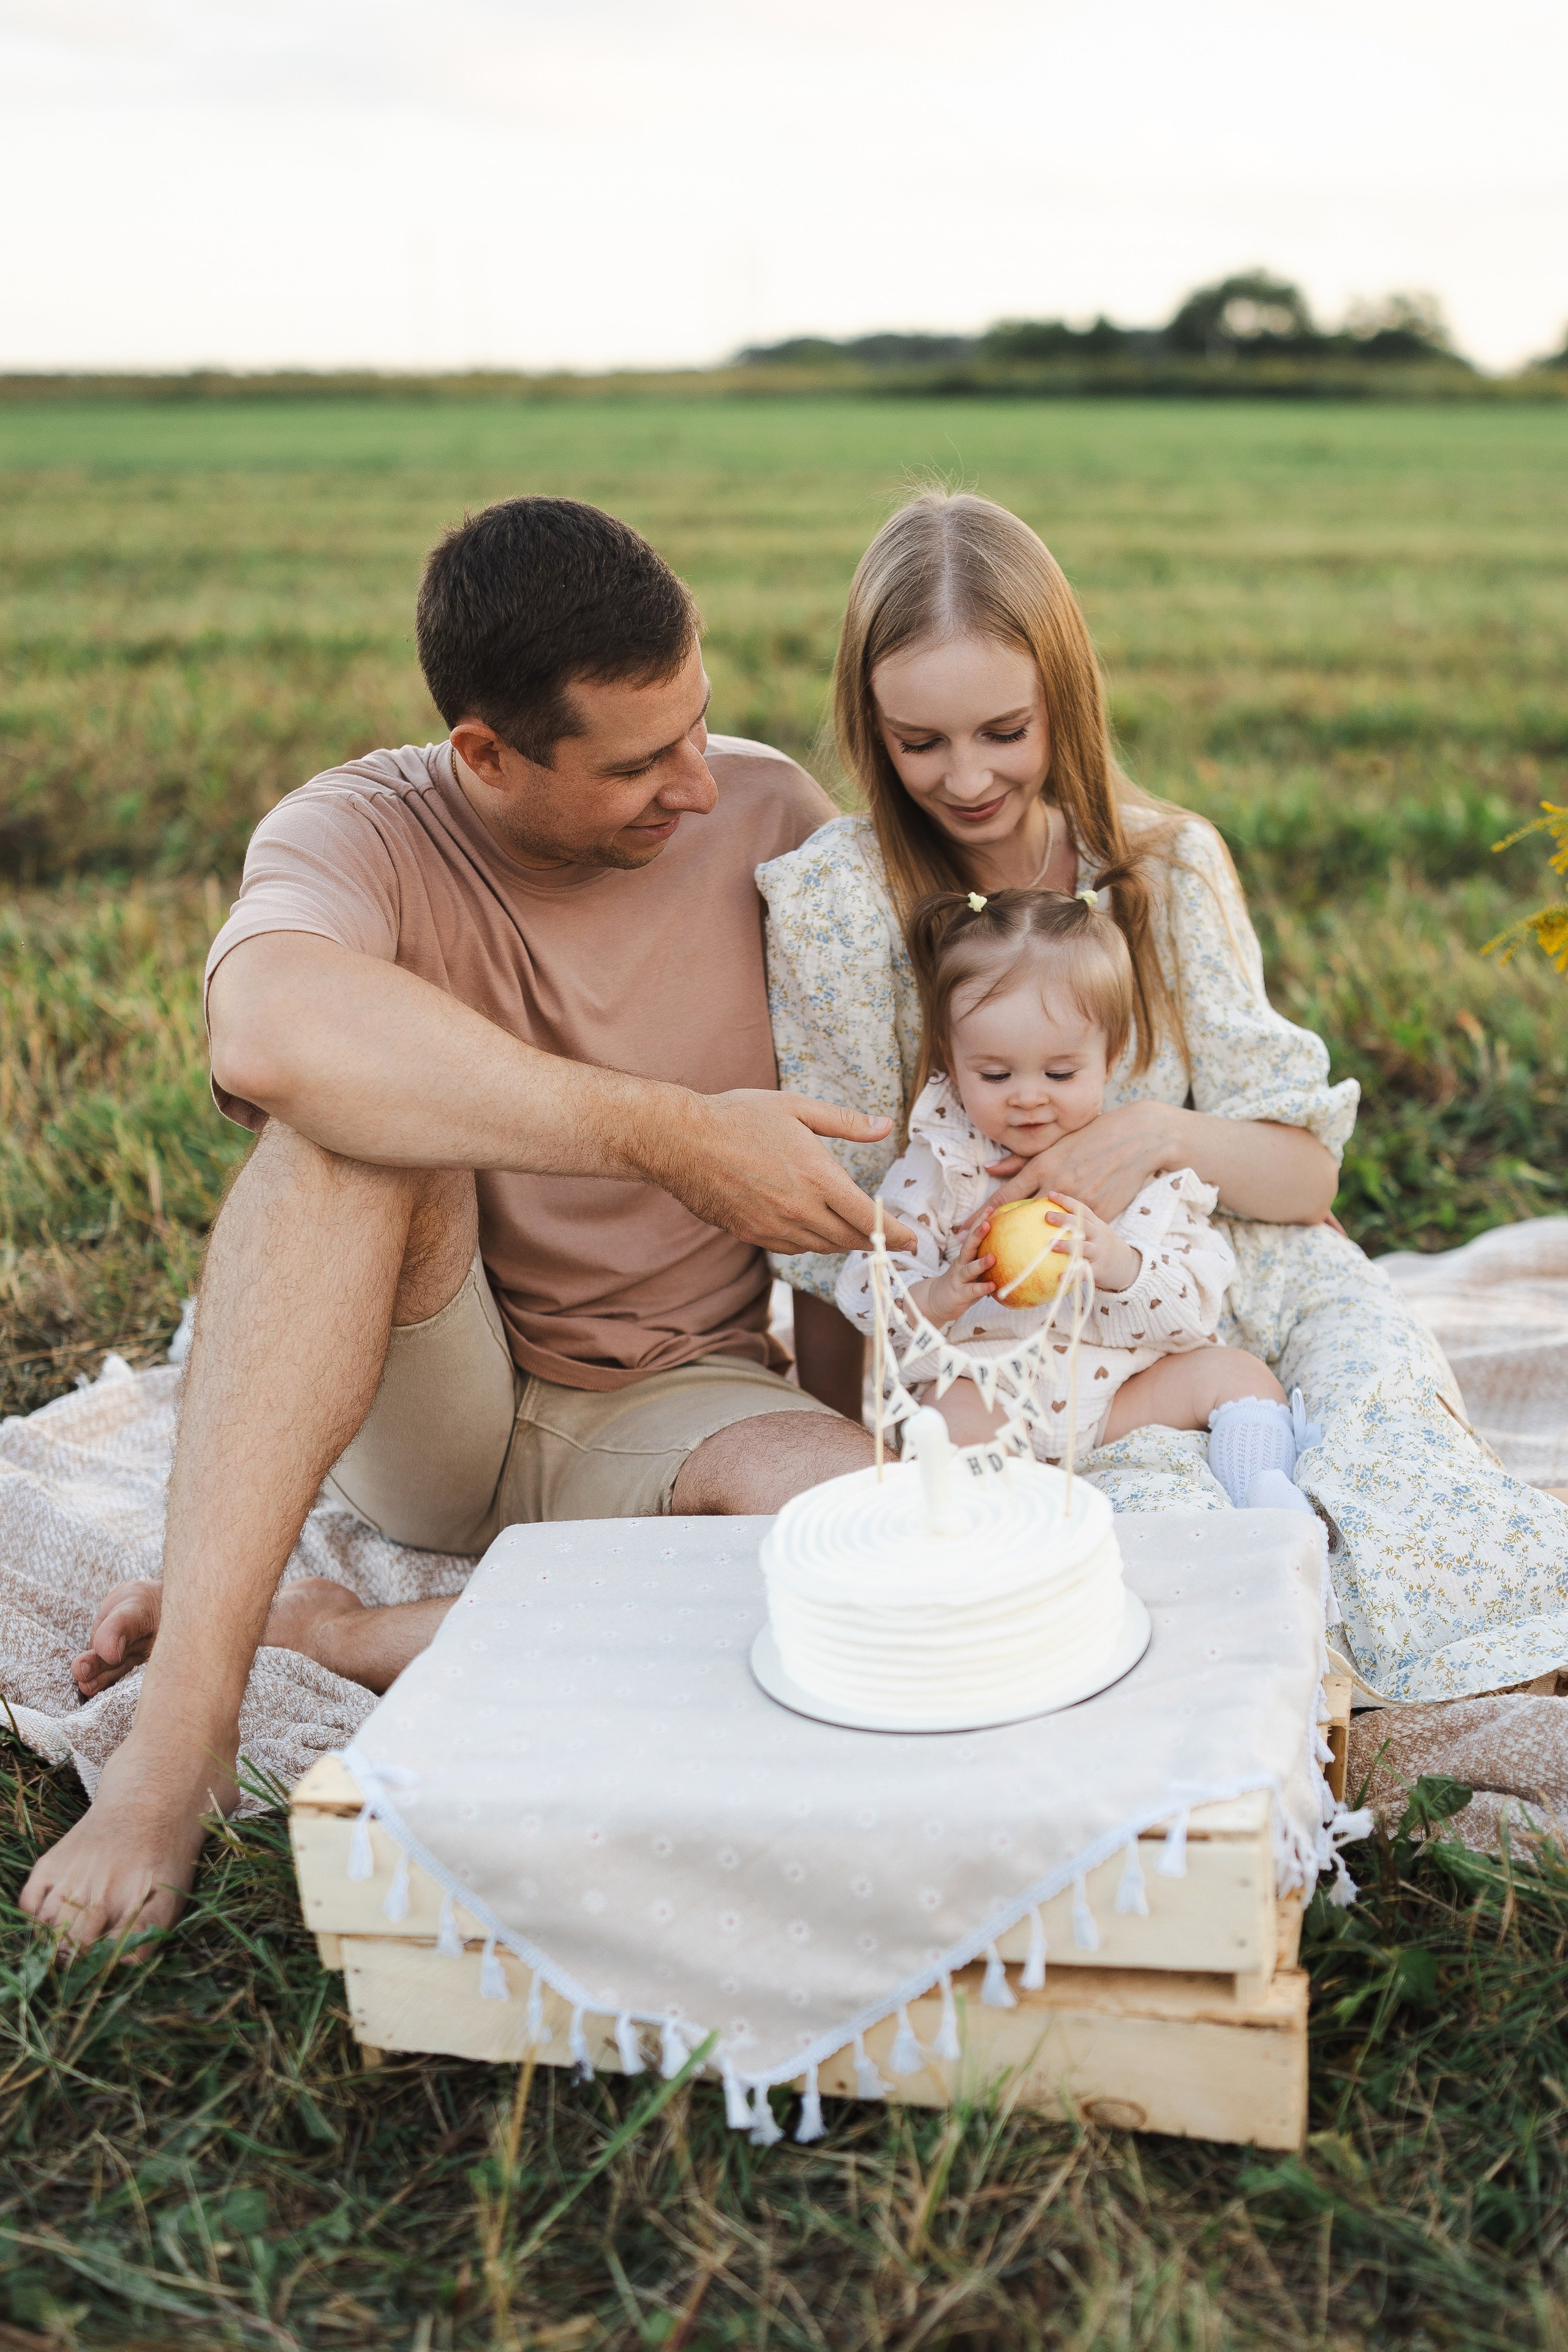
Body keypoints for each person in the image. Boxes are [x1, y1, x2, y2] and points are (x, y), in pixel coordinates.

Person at [22, 496, 915, 1949]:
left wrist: (854, 1420)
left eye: (698, 724)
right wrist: (670, 1132)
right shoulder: (357, 828)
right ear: (485, 754)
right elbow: (265, 1031)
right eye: (636, 763)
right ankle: (178, 1736)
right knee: (339, 1129)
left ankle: (333, 1632)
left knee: (867, 1564)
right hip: (437, 1395)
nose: (694, 785)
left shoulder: (763, 813)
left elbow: (854, 1140)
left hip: (682, 1395)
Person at [759, 489, 1568, 1702]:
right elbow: (833, 1224)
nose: (965, 778)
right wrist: (858, 1442)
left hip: (1232, 1269)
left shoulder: (1161, 866)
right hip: (1015, 1338)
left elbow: (1301, 1177)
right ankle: (1267, 1692)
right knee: (1139, 1528)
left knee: (1385, 1429)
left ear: (1062, 703)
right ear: (869, 726)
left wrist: (1147, 1136)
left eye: (1002, 731)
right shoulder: (834, 905)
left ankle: (1460, 1657)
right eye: (917, 743)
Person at [836, 884, 1315, 1510]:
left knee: (1238, 1375)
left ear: (1110, 1059)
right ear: (952, 1067)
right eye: (995, 1074)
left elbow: (1193, 1316)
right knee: (951, 1418)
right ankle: (991, 1530)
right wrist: (939, 1294)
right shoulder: (941, 1169)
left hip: (1120, 1393)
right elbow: (865, 1295)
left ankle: (1262, 1498)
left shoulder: (1134, 1166)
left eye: (1060, 1074)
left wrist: (1119, 1265)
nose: (1028, 1096)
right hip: (993, 1389)